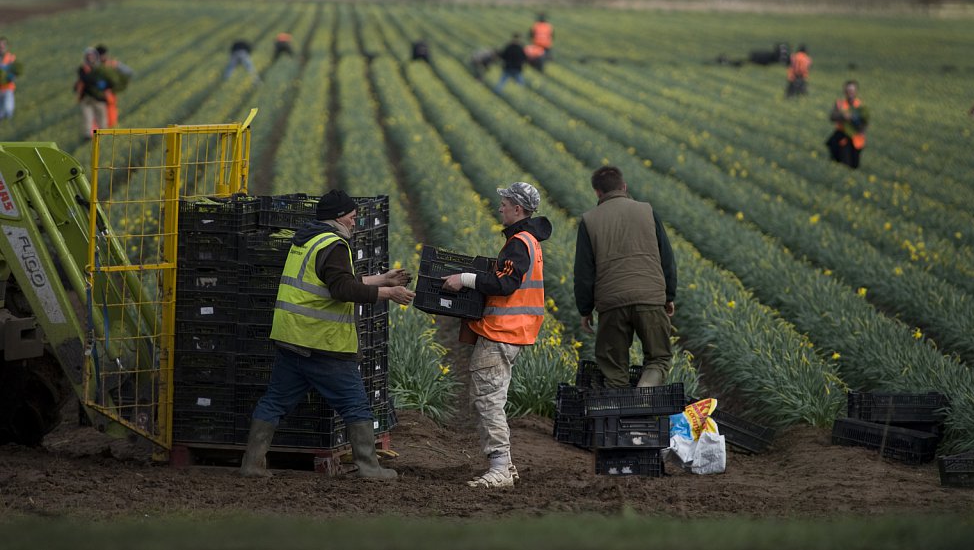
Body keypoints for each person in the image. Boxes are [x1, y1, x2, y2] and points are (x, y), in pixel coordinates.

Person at [240, 189, 415, 479]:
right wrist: (389, 292)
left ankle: (252, 464)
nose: (354, 222)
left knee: (275, 401)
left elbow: (331, 280)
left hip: (291, 339)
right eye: (352, 217)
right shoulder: (334, 244)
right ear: (338, 217)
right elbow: (341, 289)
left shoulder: (308, 239)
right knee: (355, 403)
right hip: (321, 343)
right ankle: (370, 468)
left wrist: (382, 278)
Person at [440, 182, 551, 489]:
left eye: (504, 203)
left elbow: (505, 284)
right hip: (513, 333)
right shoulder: (530, 240)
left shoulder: (519, 242)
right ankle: (506, 467)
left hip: (501, 333)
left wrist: (463, 279)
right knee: (491, 398)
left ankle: (500, 467)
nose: (500, 207)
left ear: (518, 208)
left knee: (488, 400)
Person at [574, 166, 677, 389]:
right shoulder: (647, 211)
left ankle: (618, 416)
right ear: (624, 187)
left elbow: (583, 272)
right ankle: (643, 398)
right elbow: (666, 257)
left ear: (597, 192)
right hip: (649, 298)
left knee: (613, 368)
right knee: (658, 358)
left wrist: (585, 309)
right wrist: (668, 295)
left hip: (612, 304)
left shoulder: (589, 221)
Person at [75, 48, 116, 141]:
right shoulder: (83, 69)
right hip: (86, 97)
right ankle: (88, 136)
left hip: (99, 98)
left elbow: (108, 81)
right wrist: (97, 81)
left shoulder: (100, 68)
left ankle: (103, 135)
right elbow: (84, 79)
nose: (90, 58)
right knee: (87, 117)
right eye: (88, 56)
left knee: (101, 117)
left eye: (92, 56)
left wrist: (104, 85)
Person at [827, 80, 870, 169]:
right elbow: (832, 117)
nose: (850, 93)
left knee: (854, 165)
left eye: (852, 91)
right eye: (848, 91)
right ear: (845, 92)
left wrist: (860, 127)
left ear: (856, 92)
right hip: (843, 137)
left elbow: (865, 122)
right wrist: (843, 115)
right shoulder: (840, 104)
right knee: (844, 164)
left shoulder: (861, 106)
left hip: (856, 139)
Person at [95, 45, 133, 128]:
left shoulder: (112, 64)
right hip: (98, 95)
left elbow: (128, 72)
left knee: (110, 117)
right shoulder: (95, 67)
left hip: (108, 95)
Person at [0, 37, 23, 122]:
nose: (1, 48)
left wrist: (11, 77)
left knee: (8, 108)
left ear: (5, 47)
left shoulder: (10, 58)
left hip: (8, 87)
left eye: (2, 46)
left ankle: (10, 122)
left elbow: (16, 71)